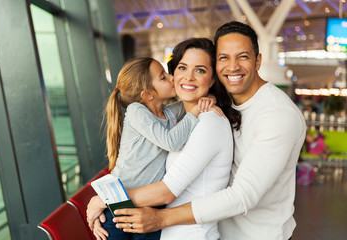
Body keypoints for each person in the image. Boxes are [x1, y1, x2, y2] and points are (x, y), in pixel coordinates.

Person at [111, 21, 307, 240]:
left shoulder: (277, 114)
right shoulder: (211, 109)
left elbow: (243, 196)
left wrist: (119, 202)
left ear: (258, 60)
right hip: (214, 231)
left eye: (242, 56)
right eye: (224, 57)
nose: (232, 67)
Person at [87, 38, 241, 240]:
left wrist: (104, 200)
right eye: (182, 68)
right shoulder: (161, 113)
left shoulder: (207, 122)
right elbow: (183, 119)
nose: (188, 77)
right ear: (148, 94)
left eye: (200, 70)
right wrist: (105, 201)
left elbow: (167, 191)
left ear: (213, 79)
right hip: (139, 211)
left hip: (178, 227)